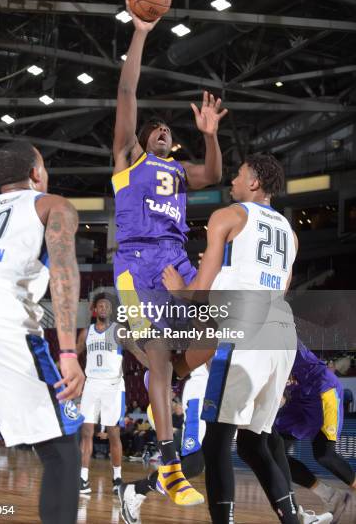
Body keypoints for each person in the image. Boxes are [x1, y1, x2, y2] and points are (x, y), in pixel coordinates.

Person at [113, 2, 227, 507]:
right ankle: (168, 462)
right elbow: (127, 92)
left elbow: (214, 176)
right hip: (137, 264)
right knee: (159, 354)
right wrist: (139, 34)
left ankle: (164, 368)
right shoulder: (127, 159)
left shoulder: (179, 171)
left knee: (212, 331)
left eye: (167, 130)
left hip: (177, 255)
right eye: (154, 129)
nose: (161, 131)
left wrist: (209, 137)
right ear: (140, 141)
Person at [0, 141, 85, 524]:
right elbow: (63, 273)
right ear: (36, 174)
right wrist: (69, 354)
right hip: (3, 321)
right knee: (62, 449)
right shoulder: (51, 205)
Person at [163, 154, 299, 524]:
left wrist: (179, 290)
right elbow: (281, 290)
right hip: (282, 333)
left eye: (238, 175)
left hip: (247, 332)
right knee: (255, 443)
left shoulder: (228, 216)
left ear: (254, 183)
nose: (232, 181)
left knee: (217, 438)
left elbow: (202, 291)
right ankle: (292, 518)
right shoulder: (290, 231)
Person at [273, 341, 356, 522]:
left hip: (322, 390)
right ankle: (331, 496)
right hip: (297, 399)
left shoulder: (283, 339)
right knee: (274, 453)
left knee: (324, 453)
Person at [119, 364, 208, 524]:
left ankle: (134, 489)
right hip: (205, 388)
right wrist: (167, 379)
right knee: (194, 463)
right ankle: (137, 489)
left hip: (237, 383)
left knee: (250, 447)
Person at [77, 292, 133, 495]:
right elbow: (74, 355)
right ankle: (83, 479)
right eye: (100, 306)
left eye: (107, 306)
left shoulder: (119, 331)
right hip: (91, 384)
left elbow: (135, 350)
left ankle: (117, 479)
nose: (103, 309)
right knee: (86, 432)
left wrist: (154, 366)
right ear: (94, 310)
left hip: (113, 386)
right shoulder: (86, 332)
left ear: (111, 310)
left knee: (113, 434)